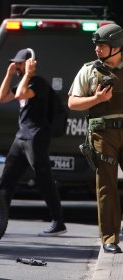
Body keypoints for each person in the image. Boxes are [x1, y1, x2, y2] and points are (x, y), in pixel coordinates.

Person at [0, 48, 67, 236]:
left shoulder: (38, 83)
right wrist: (9, 74)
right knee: (7, 179)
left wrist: (27, 74)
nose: (16, 66)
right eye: (16, 63)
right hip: (21, 137)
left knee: (44, 179)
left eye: (19, 63)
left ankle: (58, 222)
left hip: (36, 136)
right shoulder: (23, 81)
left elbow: (20, 95)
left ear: (28, 63)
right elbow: (2, 98)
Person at [68, 23, 123, 254]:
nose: (98, 50)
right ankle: (110, 239)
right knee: (106, 188)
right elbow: (72, 102)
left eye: (102, 46)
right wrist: (98, 99)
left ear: (116, 46)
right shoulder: (89, 71)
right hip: (103, 134)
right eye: (97, 46)